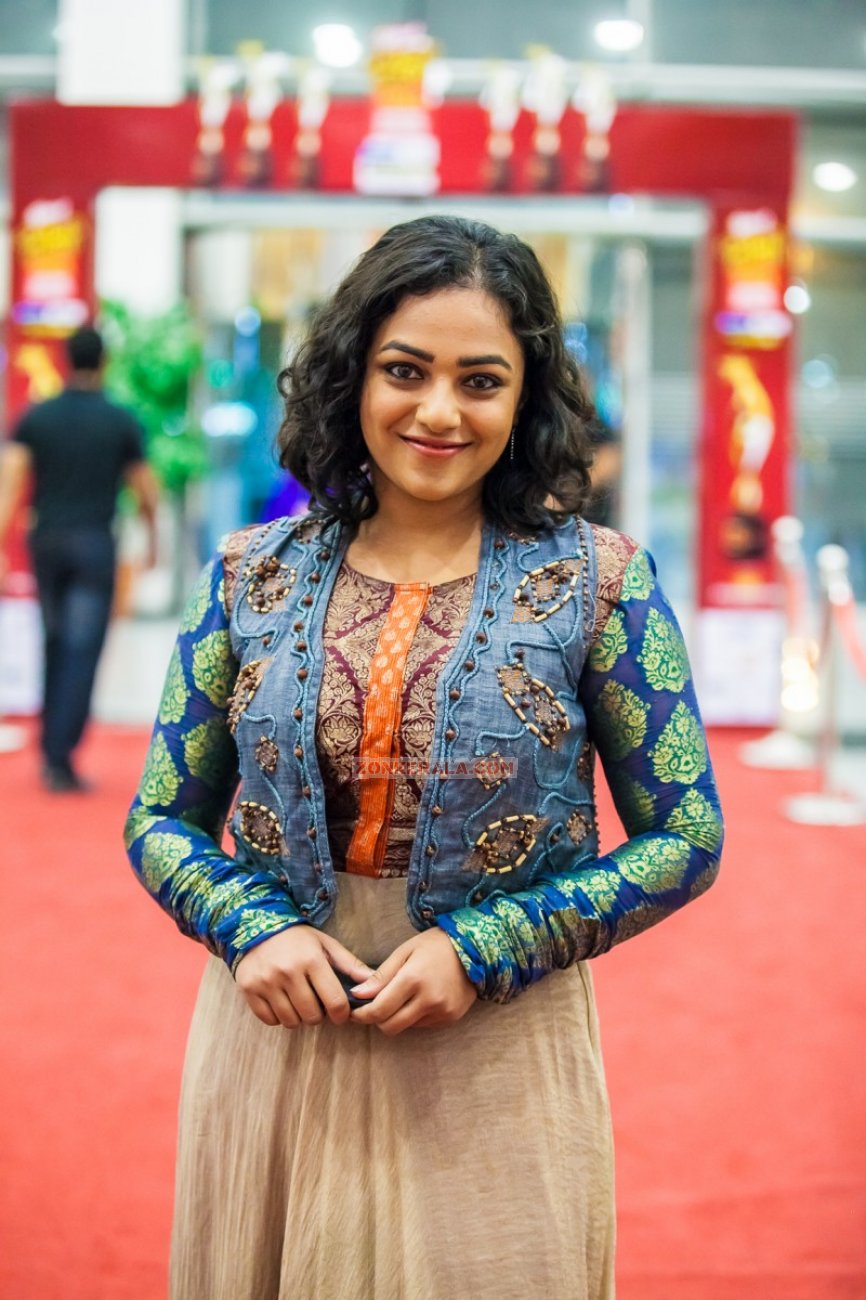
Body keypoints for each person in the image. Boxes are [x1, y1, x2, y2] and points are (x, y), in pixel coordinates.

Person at [125, 216, 723, 1300]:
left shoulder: (599, 583)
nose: (439, 411)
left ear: (525, 399)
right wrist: (248, 924)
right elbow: (160, 818)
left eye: (479, 381)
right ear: (353, 375)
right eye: (405, 370)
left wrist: (486, 945)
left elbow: (687, 836)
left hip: (494, 1046)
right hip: (277, 1032)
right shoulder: (250, 573)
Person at [0, 325, 159, 791]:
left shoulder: (37, 417)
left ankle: (51, 747)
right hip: (94, 544)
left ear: (65, 360)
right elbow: (145, 488)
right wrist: (153, 539)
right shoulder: (120, 419)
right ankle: (61, 753)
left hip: (47, 542)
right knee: (82, 647)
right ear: (104, 361)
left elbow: (11, 485)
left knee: (52, 639)